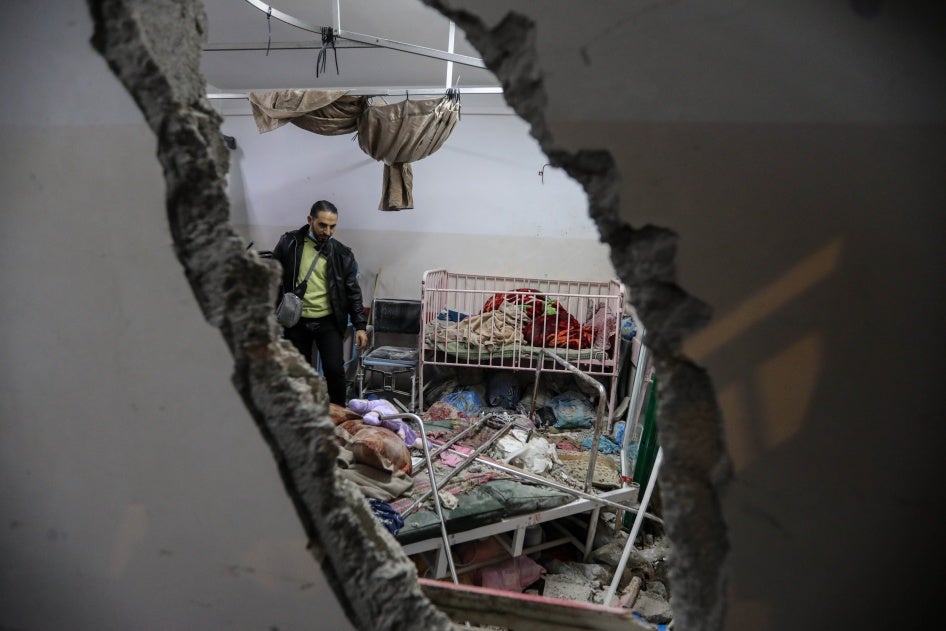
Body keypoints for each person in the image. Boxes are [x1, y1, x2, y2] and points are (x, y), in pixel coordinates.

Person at [271, 200, 368, 405]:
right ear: (310, 220)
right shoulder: (289, 243)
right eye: (322, 225)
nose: (328, 231)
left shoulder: (342, 253)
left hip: (328, 321)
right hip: (296, 320)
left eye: (332, 226)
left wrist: (360, 325)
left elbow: (353, 291)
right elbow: (272, 277)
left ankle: (339, 416)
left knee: (334, 371)